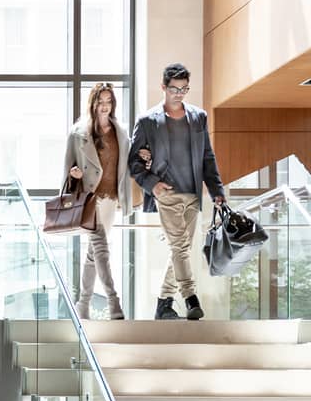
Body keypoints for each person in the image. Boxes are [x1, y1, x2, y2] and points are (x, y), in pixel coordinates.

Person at [128, 63, 226, 320]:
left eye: (184, 89)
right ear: (163, 87)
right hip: (167, 194)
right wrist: (153, 184)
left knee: (180, 250)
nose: (179, 94)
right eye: (174, 89)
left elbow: (207, 157)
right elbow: (134, 162)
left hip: (192, 193)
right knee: (180, 248)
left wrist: (216, 190)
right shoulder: (148, 121)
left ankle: (163, 304)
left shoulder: (198, 117)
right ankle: (191, 297)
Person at [63, 82, 133, 319]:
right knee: (101, 248)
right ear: (92, 104)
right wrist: (73, 174)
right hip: (89, 199)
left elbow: (126, 166)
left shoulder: (120, 132)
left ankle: (83, 305)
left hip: (111, 198)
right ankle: (114, 303)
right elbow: (67, 167)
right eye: (100, 102)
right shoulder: (78, 133)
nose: (104, 106)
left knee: (94, 254)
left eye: (108, 101)